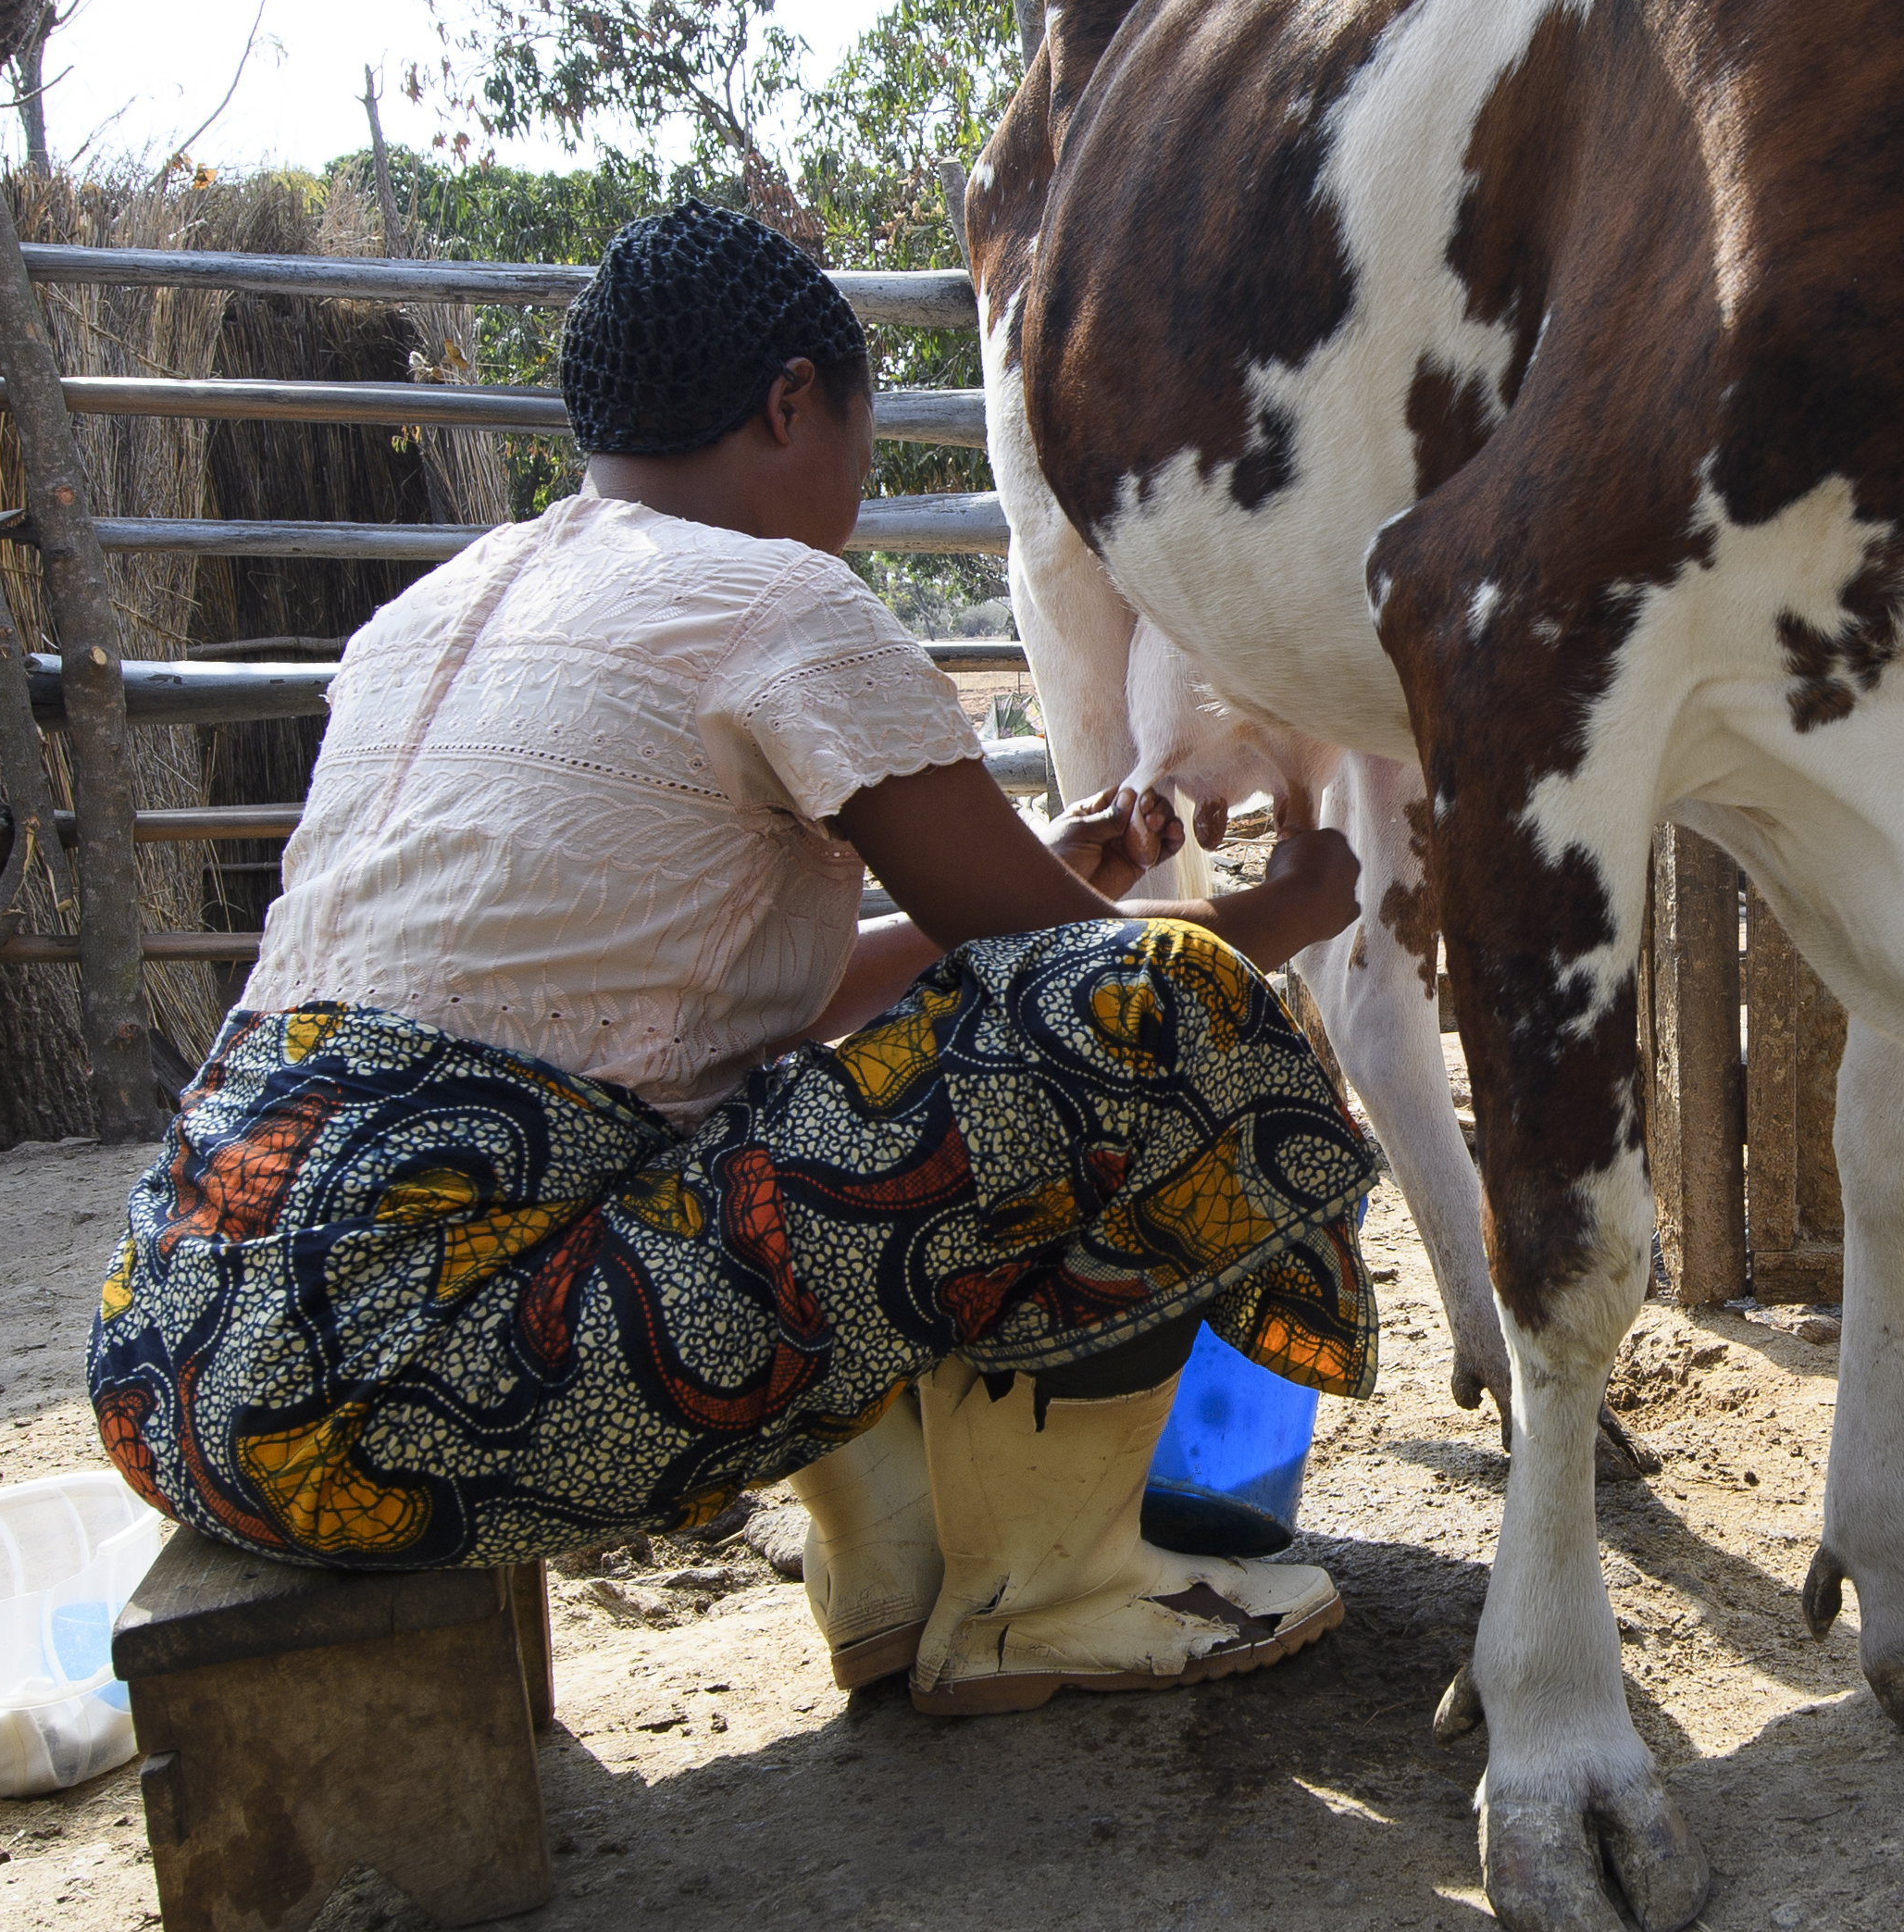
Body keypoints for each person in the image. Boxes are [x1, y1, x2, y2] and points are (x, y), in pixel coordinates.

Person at [88, 202, 1379, 1716]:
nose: (858, 497)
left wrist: (1041, 876)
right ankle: (1053, 1593)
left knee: (846, 1085)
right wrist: (1288, 909)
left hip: (180, 1369)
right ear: (791, 402)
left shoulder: (431, 613)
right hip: (408, 1396)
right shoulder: (776, 599)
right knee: (1162, 1013)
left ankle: (890, 1563)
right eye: (861, 444)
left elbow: (728, 1005)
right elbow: (1092, 993)